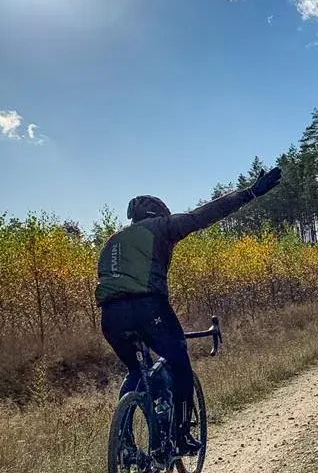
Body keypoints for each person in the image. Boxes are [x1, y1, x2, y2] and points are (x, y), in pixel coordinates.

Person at [96, 166, 282, 454]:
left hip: (110, 316)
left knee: (136, 370)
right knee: (179, 363)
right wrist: (251, 193)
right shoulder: (161, 226)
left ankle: (125, 443)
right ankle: (181, 436)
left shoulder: (112, 241)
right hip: (148, 307)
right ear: (158, 214)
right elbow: (203, 215)